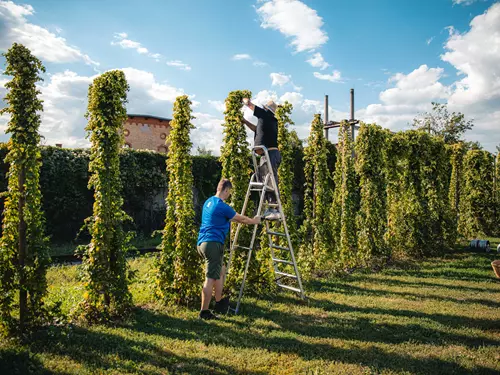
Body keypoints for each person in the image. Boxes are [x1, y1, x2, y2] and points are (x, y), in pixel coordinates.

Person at [197, 178, 261, 320]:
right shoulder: (222, 205)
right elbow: (240, 219)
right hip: (213, 244)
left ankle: (219, 303)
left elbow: (223, 218)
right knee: (210, 278)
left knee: (221, 270)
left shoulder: (209, 202)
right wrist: (254, 221)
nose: (229, 195)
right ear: (226, 190)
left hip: (202, 243)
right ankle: (204, 312)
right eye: (229, 192)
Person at [242, 98, 281, 221]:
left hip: (270, 153)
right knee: (265, 180)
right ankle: (270, 207)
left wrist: (244, 99)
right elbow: (256, 129)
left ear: (266, 109)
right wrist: (244, 121)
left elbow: (250, 105)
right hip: (267, 153)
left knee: (270, 180)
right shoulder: (268, 121)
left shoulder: (265, 115)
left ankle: (274, 209)